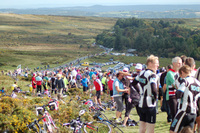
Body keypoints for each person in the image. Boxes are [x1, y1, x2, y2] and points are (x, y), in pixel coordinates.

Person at [132, 55, 159, 133]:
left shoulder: (141, 73)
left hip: (141, 104)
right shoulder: (152, 74)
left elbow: (133, 83)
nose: (158, 65)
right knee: (150, 129)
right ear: (150, 63)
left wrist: (140, 91)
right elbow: (153, 86)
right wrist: (155, 96)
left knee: (142, 128)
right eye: (156, 63)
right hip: (150, 105)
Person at [170, 65, 200, 133]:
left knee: (173, 130)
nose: (180, 77)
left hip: (184, 110)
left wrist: (177, 91)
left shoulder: (185, 81)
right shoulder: (198, 83)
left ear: (182, 72)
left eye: (180, 75)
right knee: (188, 131)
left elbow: (179, 94)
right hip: (193, 112)